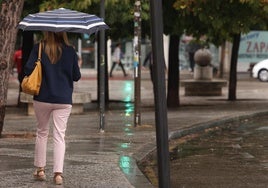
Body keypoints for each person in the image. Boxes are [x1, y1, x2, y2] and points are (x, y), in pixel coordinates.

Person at [24, 31, 81, 185]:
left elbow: (28, 69)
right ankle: (58, 174)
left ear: (46, 32)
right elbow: (76, 76)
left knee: (42, 132)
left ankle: (40, 170)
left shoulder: (39, 47)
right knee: (59, 135)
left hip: (42, 98)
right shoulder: (70, 51)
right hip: (63, 99)